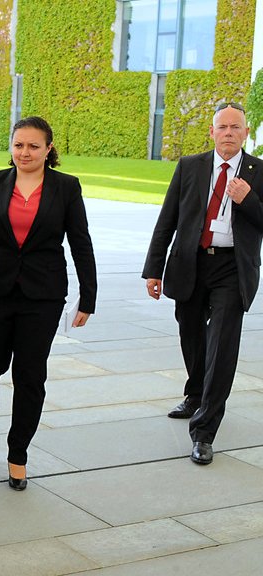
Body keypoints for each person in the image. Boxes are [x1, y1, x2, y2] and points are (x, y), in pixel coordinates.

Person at [0, 116, 96, 489]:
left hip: (42, 296)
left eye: (33, 146)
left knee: (30, 376)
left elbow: (80, 242)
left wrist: (88, 295)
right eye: (18, 145)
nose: (24, 152)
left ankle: (17, 452)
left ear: (48, 149)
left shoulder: (66, 188)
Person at [143, 102, 263, 465]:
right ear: (211, 132)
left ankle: (204, 431)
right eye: (222, 127)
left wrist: (250, 200)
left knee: (222, 347)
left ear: (245, 133)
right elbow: (168, 219)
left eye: (236, 127)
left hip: (232, 269)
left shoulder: (259, 172)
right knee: (191, 335)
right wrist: (154, 268)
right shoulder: (190, 166)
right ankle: (196, 393)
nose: (229, 132)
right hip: (191, 263)